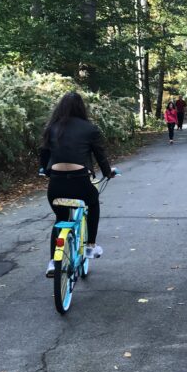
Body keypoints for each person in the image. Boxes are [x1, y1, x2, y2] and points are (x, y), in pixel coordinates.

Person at [39, 93, 116, 278]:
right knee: (93, 202)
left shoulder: (51, 128)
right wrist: (108, 173)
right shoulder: (90, 129)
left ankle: (52, 262)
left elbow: (43, 155)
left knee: (60, 220)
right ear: (81, 108)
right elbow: (100, 155)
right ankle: (90, 246)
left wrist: (44, 170)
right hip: (80, 182)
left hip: (56, 185)